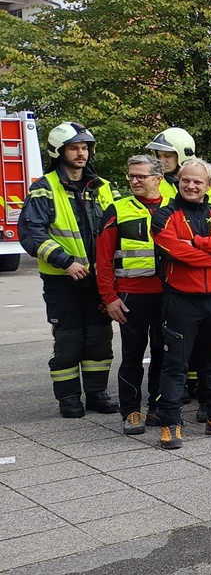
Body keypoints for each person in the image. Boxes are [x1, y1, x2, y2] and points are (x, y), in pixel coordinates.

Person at [19, 122, 118, 418]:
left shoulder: (101, 187)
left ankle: (97, 393)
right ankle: (69, 398)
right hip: (62, 281)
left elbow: (113, 230)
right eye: (74, 148)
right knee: (69, 339)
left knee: (99, 338)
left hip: (97, 279)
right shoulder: (44, 188)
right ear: (58, 151)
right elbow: (31, 232)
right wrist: (65, 261)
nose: (81, 153)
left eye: (85, 147)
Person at [151, 158, 211, 448]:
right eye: (185, 180)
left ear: (208, 186)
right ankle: (170, 421)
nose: (191, 186)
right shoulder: (164, 215)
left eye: (197, 182)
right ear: (178, 182)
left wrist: (202, 244)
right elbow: (177, 252)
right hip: (181, 300)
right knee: (175, 364)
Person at [96, 154, 168, 435]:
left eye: (141, 176)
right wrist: (110, 298)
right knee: (132, 357)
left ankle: (159, 408)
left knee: (165, 355)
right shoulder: (117, 209)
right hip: (131, 297)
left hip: (167, 296)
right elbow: (102, 259)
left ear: (158, 179)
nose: (134, 180)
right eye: (131, 176)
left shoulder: (173, 208)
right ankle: (131, 412)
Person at [145, 128, 199, 204]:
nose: (161, 161)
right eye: (159, 156)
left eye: (167, 156)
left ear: (184, 155)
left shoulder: (206, 181)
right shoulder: (154, 184)